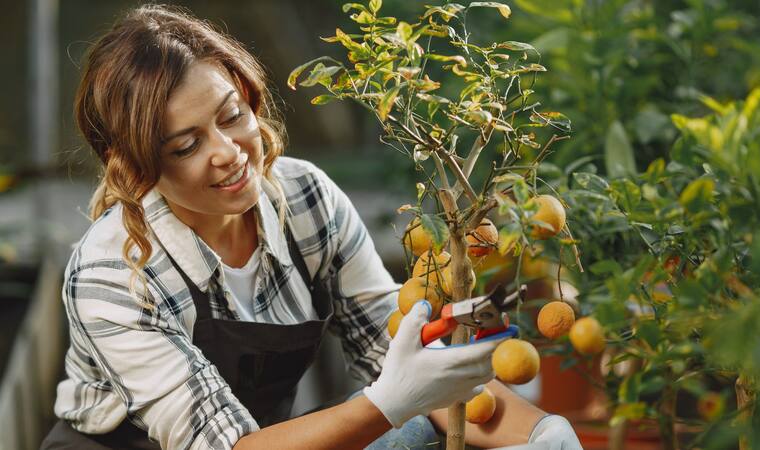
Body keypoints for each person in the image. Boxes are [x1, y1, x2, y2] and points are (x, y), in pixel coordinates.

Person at [40, 4, 582, 450]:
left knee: (420, 428)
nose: (229, 154)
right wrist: (391, 400)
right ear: (134, 166)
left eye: (232, 116)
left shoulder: (304, 199)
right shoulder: (113, 273)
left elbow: (398, 352)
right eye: (186, 146)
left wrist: (545, 434)